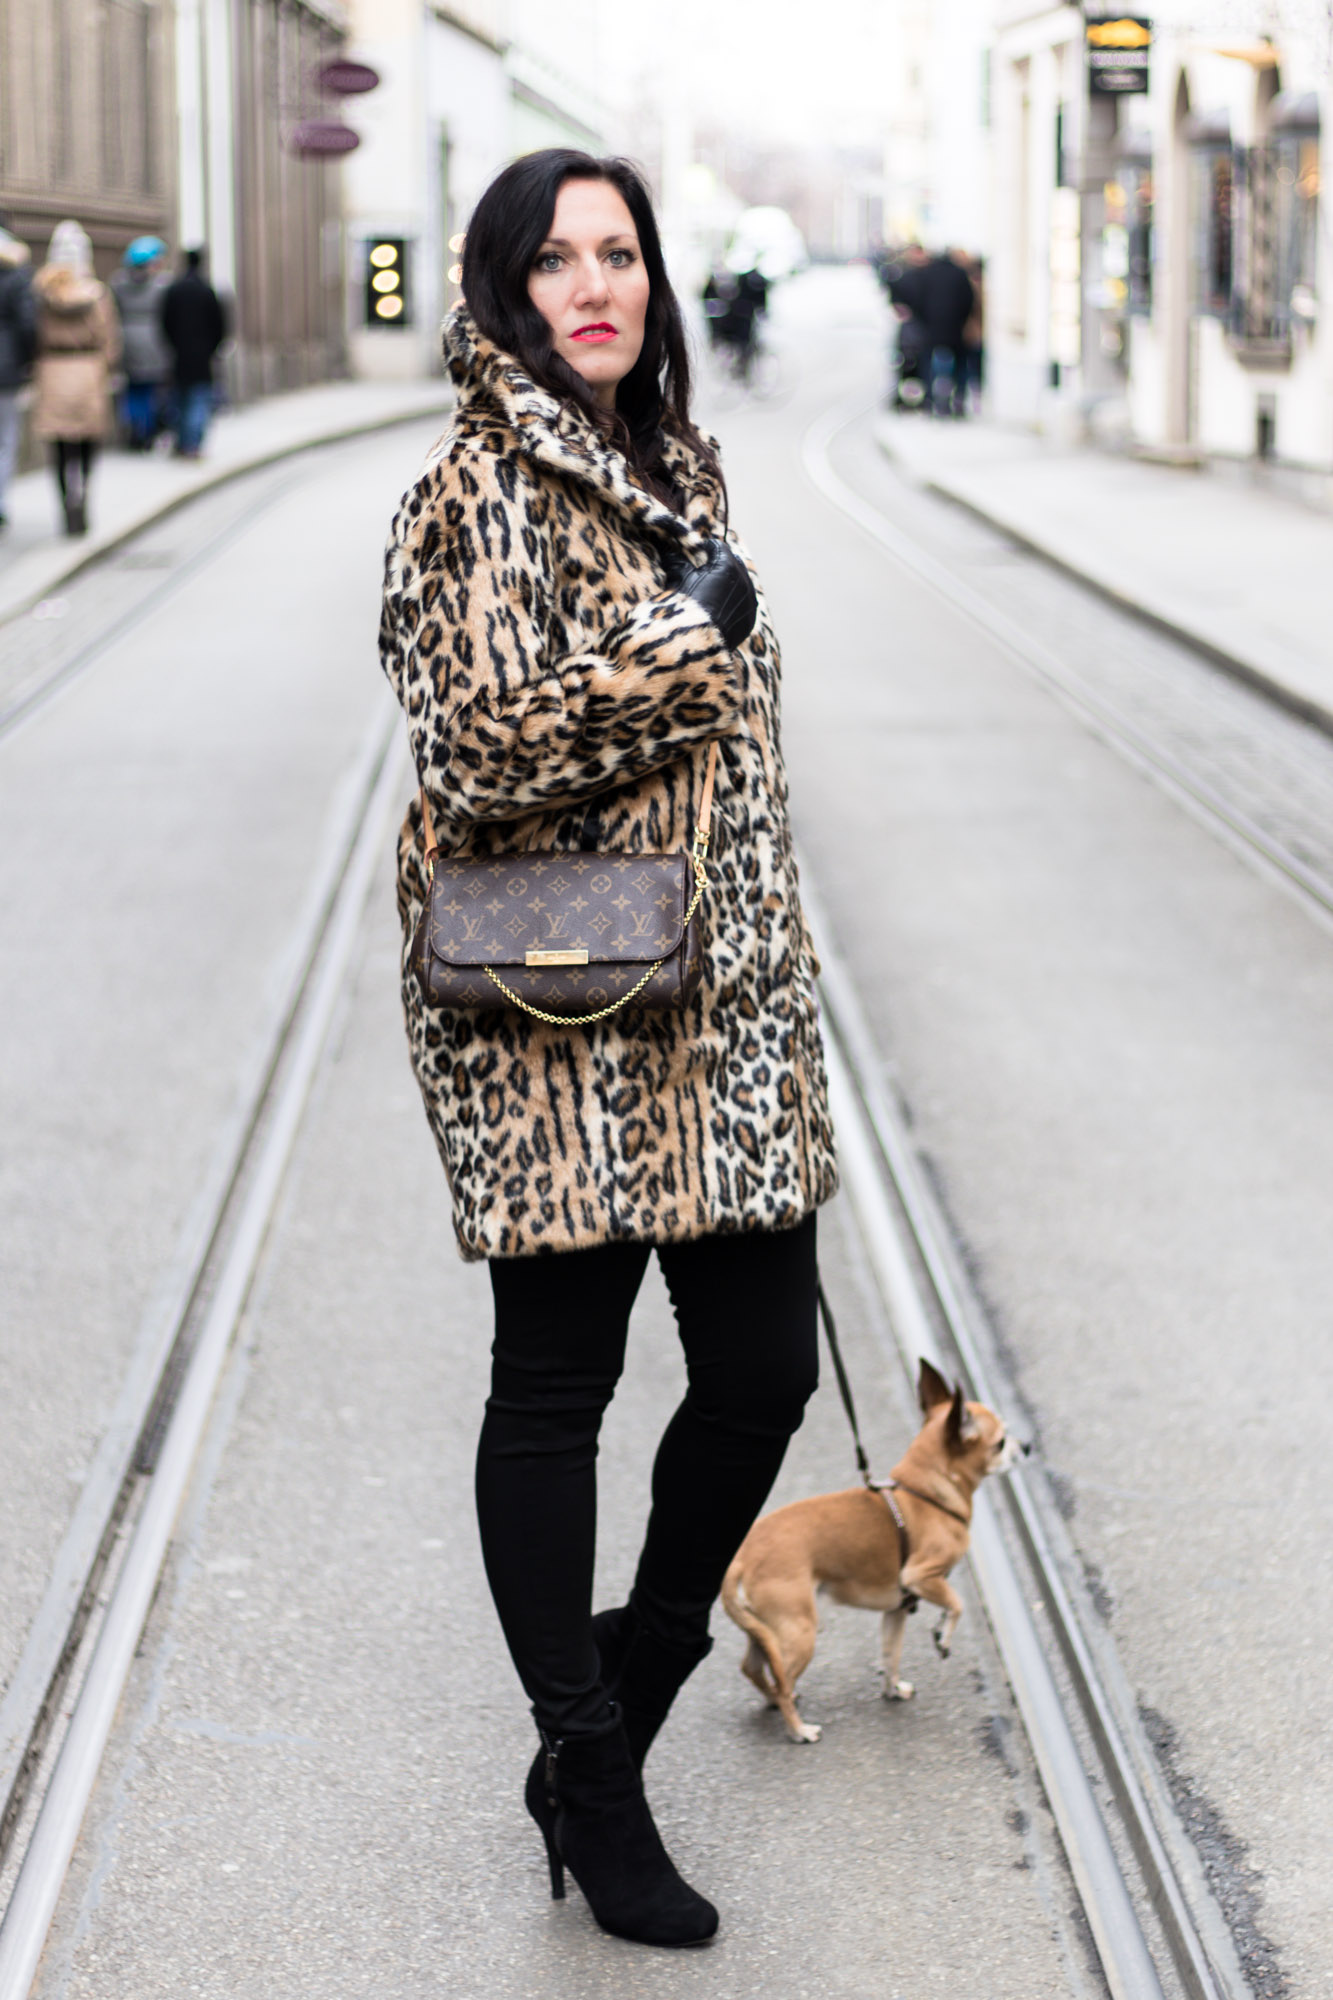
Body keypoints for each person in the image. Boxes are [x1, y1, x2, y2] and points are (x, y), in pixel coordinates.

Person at [379, 150, 837, 1948]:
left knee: (757, 1378)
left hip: (717, 1028)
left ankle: (608, 1730)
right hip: (559, 1027)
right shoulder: (465, 496)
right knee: (553, 1392)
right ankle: (593, 1756)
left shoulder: (669, 469)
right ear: (500, 288)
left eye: (619, 253)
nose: (596, 284)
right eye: (556, 258)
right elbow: (477, 750)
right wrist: (678, 637)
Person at [31, 220, 120, 537]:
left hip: (53, 368)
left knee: (58, 444)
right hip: (87, 369)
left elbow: (34, 334)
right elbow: (108, 337)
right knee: (87, 440)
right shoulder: (96, 294)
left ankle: (65, 500)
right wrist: (107, 367)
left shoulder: (42, 292)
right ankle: (83, 491)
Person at [159, 247, 225, 458]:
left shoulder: (175, 290)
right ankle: (193, 445)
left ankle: (181, 442)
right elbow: (220, 325)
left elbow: (164, 322)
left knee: (179, 399)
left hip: (180, 355)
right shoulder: (206, 291)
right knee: (198, 401)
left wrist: (173, 345)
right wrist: (212, 349)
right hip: (202, 356)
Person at [110, 236, 171, 450]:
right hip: (153, 340)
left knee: (133, 389)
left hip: (126, 339)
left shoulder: (118, 283)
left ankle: (134, 429)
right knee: (149, 391)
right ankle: (145, 433)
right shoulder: (162, 285)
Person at [0, 214, 37, 531]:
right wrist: (28, 360)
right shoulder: (16, 275)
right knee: (6, 439)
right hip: (7, 368)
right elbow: (28, 323)